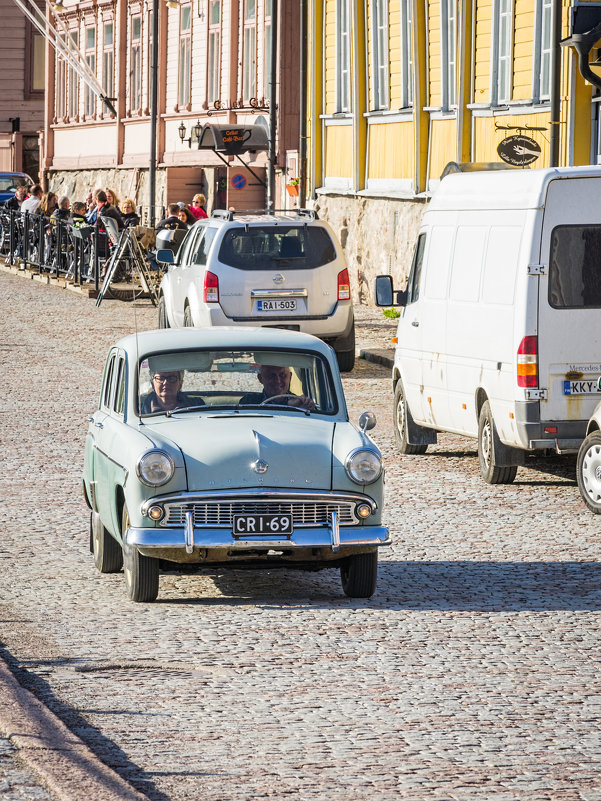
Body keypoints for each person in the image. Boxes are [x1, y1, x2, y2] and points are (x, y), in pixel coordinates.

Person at [239, 364, 315, 410]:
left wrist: (303, 410)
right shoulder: (249, 401)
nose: (278, 381)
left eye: (283, 375)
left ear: (290, 377)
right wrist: (288, 405)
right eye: (271, 376)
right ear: (260, 378)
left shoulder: (301, 403)